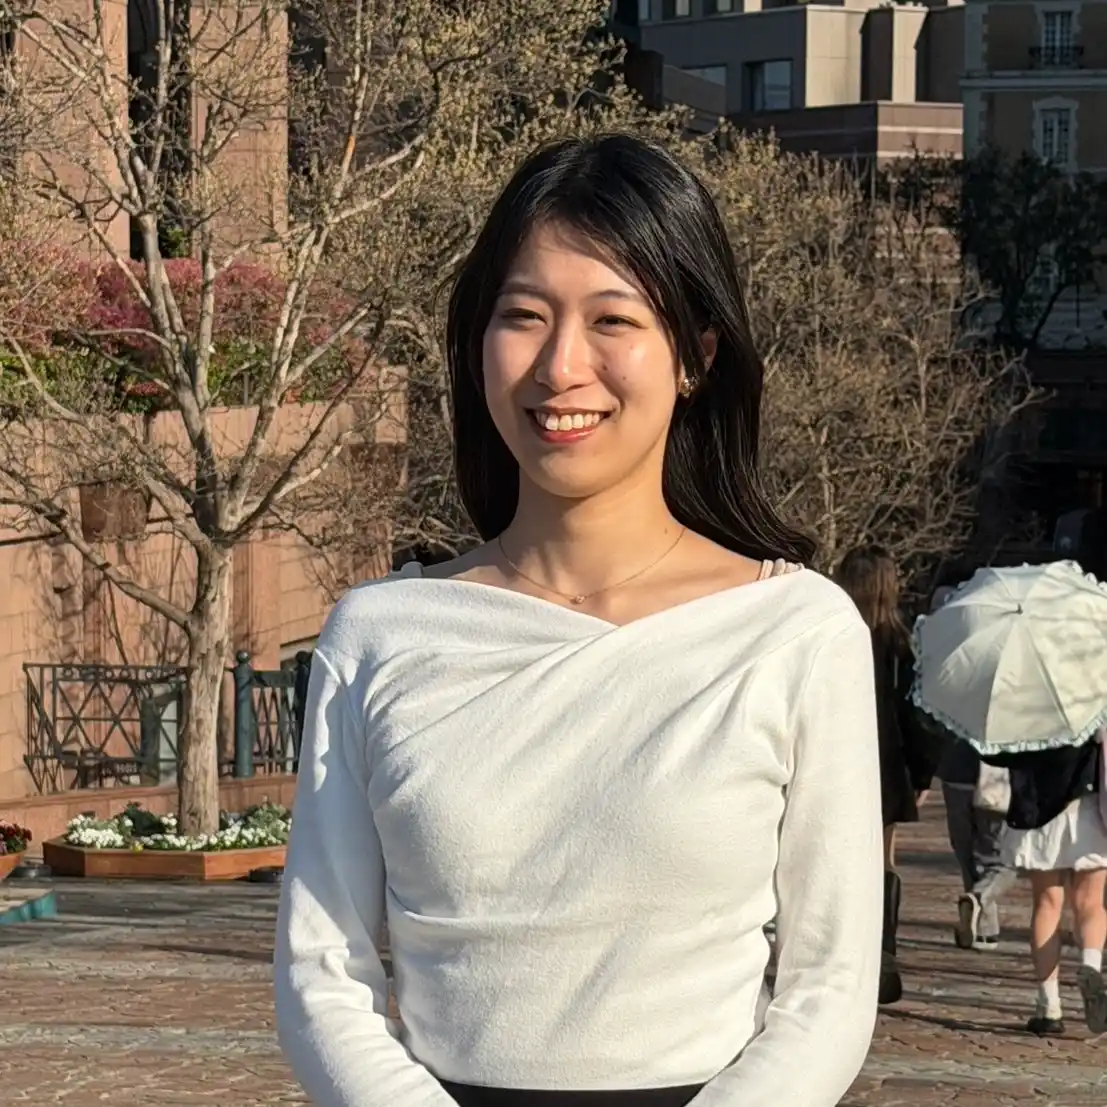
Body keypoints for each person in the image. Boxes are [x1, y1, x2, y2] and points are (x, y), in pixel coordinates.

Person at [274, 133, 884, 1107]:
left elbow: (830, 986)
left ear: (696, 355)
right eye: (523, 316)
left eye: (613, 319)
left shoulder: (795, 632)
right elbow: (320, 968)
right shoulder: (381, 634)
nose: (561, 366)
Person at [834, 546, 944, 1006]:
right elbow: (917, 715)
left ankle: (845, 953)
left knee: (834, 859)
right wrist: (922, 773)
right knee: (882, 858)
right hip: (884, 764)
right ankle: (883, 951)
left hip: (835, 759)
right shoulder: (901, 644)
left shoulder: (832, 635)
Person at [986, 729, 1107, 1036]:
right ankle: (1090, 965)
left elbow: (998, 752)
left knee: (1046, 903)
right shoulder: (1090, 700)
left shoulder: (1023, 703)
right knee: (1091, 902)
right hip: (1088, 805)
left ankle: (1048, 1006)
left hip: (1038, 807)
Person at [930, 584, 1017, 952]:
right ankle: (981, 904)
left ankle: (984, 926)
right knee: (1003, 857)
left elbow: (931, 715)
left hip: (956, 769)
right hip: (994, 770)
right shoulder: (1009, 661)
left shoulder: (947, 660)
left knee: (967, 852)